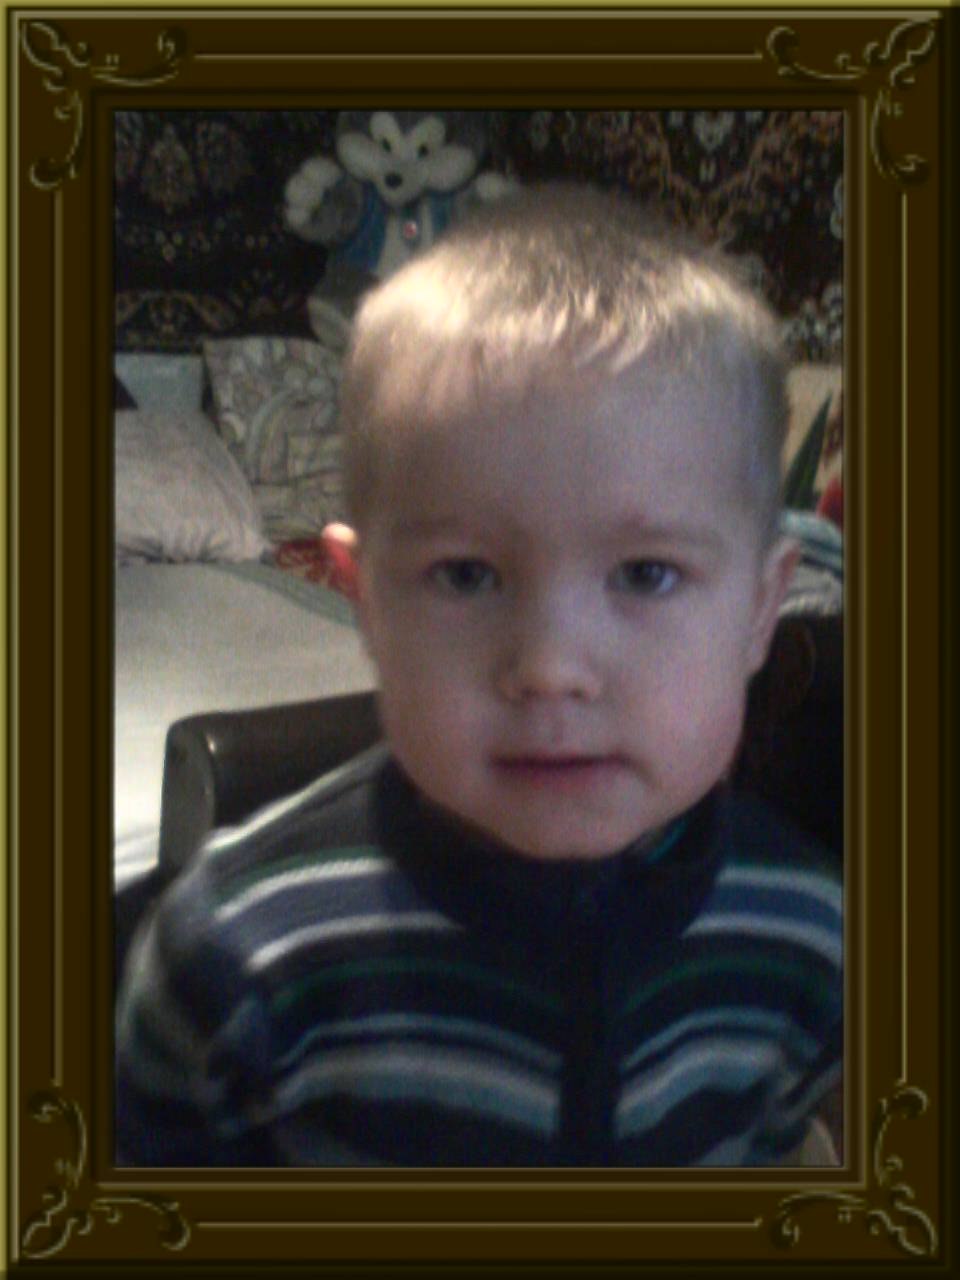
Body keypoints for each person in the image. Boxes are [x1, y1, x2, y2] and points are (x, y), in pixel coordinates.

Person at [116, 184, 842, 1167]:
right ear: (367, 603)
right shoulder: (232, 955)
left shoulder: (805, 933)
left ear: (761, 609)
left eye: (646, 574)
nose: (548, 670)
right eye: (466, 574)